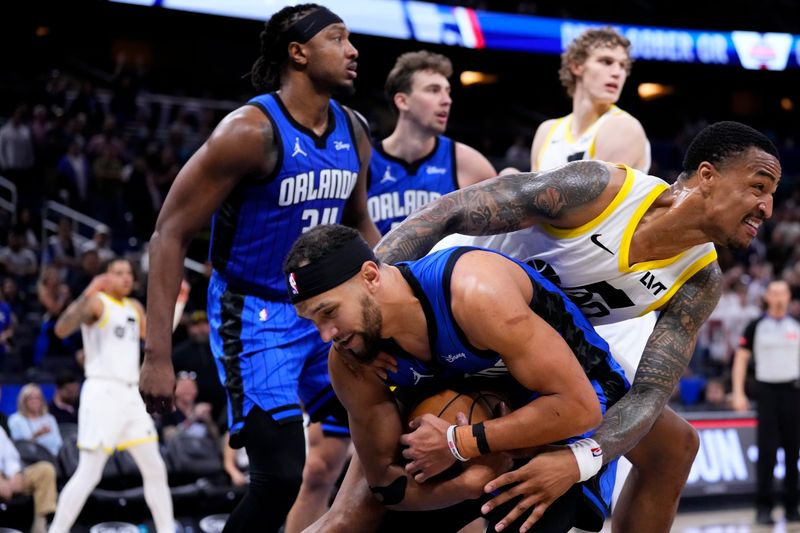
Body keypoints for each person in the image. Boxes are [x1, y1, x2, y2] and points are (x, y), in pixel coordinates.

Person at [345, 120, 781, 533]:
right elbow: (450, 211)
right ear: (706, 176)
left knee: (675, 446)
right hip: (447, 320)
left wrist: (580, 460)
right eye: (757, 187)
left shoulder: (700, 280)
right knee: (355, 513)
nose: (768, 207)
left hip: (528, 353)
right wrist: (371, 302)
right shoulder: (602, 190)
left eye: (773, 194)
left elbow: (650, 392)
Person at [137, 4, 380, 532]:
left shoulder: (354, 130)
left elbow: (362, 223)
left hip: (326, 311)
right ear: (298, 53)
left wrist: (392, 293)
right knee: (280, 477)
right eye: (338, 39)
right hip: (254, 312)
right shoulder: (249, 130)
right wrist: (157, 353)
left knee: (385, 436)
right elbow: (169, 233)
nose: (353, 50)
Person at [285, 224, 629, 532]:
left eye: (329, 312)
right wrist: (467, 484)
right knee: (354, 519)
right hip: (485, 413)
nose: (326, 335)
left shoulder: (474, 293)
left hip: (579, 400)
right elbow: (385, 483)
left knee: (667, 452)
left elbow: (579, 408)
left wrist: (459, 442)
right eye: (312, 321)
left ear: (371, 276)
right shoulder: (352, 355)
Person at [48, 259, 176, 533]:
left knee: (155, 467)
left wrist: (181, 303)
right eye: (118, 273)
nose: (126, 278)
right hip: (102, 392)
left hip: (131, 395)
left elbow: (159, 336)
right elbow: (61, 329)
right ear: (105, 277)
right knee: (89, 472)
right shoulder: (97, 303)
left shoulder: (135, 307)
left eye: (128, 273)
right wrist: (88, 291)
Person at [367, 50, 496, 235]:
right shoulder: (366, 163)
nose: (447, 100)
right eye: (434, 90)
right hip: (377, 263)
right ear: (402, 101)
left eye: (447, 91)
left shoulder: (468, 163)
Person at [530, 27, 649, 174]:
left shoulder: (623, 126)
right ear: (577, 66)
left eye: (623, 65)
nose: (617, 73)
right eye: (606, 61)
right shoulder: (546, 131)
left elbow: (591, 197)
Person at [731, 280, 800, 525]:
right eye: (775, 292)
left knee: (794, 452)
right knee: (768, 453)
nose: (779, 297)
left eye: (783, 292)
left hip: (793, 392)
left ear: (789, 296)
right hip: (767, 393)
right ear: (767, 297)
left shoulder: (796, 325)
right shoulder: (755, 326)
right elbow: (740, 360)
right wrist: (738, 393)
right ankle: (764, 507)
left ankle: (793, 506)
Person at [0, 425, 57, 533]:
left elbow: (10, 457)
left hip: (7, 475)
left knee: (45, 470)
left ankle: (40, 527)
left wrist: (15, 474)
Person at [8, 383, 63, 457]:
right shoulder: (15, 420)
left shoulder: (50, 418)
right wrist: (35, 436)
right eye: (31, 398)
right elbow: (18, 448)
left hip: (53, 458)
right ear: (23, 401)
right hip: (28, 460)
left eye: (38, 398)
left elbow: (59, 443)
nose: (35, 401)